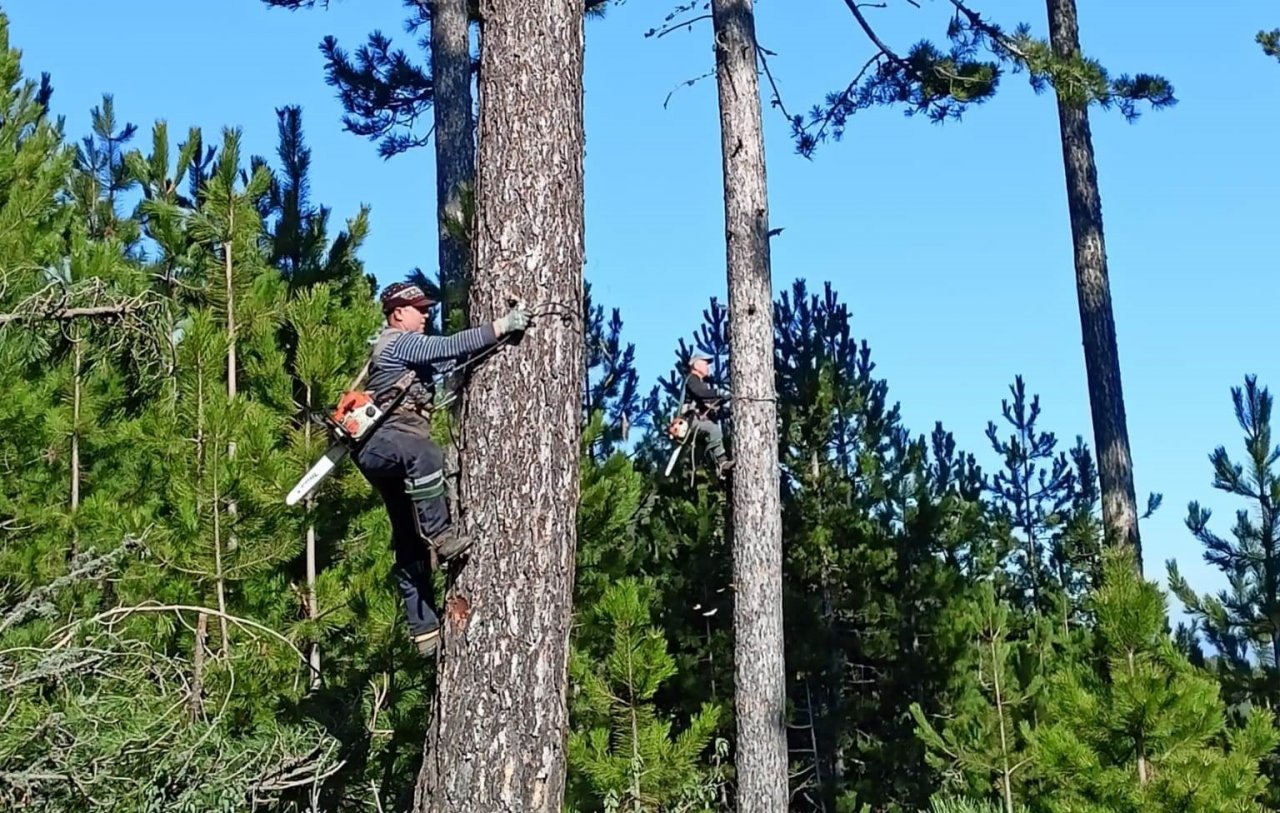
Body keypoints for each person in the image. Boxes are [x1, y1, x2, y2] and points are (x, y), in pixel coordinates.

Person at [353, 281, 528, 656]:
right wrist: (502, 325)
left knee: (407, 537)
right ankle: (443, 537)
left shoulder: (405, 351)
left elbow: (450, 360)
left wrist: (489, 343)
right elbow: (447, 347)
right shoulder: (398, 342)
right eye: (419, 309)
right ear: (398, 314)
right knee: (426, 454)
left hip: (384, 449)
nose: (427, 314)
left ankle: (425, 631)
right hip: (384, 441)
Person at [681, 352, 733, 478]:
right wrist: (718, 392)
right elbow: (701, 393)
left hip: (697, 420)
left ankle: (718, 468)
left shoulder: (701, 382)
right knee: (713, 429)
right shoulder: (692, 379)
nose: (708, 367)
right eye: (705, 364)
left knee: (713, 431)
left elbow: (708, 402)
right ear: (696, 365)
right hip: (690, 421)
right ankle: (722, 462)